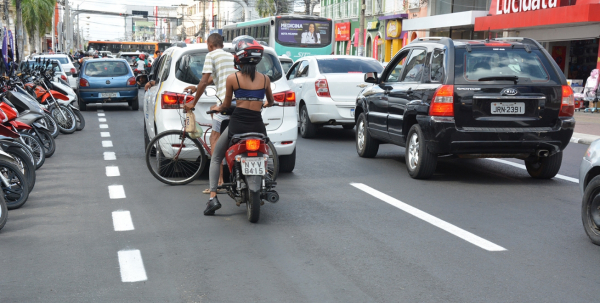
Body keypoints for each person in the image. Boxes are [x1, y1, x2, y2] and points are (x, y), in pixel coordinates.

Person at [202, 35, 274, 216]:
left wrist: (218, 107)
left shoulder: (233, 79)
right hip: (257, 126)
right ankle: (266, 181)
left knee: (217, 156)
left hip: (237, 126)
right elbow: (270, 101)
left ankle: (212, 198)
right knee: (267, 153)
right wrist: (263, 103)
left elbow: (226, 105)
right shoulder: (265, 79)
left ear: (238, 59)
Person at [183, 33, 236, 194]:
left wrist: (193, 102)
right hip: (239, 103)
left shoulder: (211, 55)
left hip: (225, 104)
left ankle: (219, 182)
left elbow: (205, 81)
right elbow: (216, 77)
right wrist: (195, 86)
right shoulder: (230, 56)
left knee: (215, 140)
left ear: (210, 45)